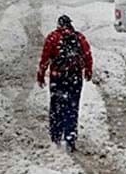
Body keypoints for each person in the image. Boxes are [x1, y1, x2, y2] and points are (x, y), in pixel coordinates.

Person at [36, 14, 94, 152]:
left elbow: (45, 58)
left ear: (59, 25)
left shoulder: (53, 37)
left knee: (56, 107)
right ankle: (70, 138)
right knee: (72, 107)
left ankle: (56, 136)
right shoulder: (79, 37)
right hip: (75, 77)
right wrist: (88, 71)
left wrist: (41, 74)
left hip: (58, 78)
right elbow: (88, 55)